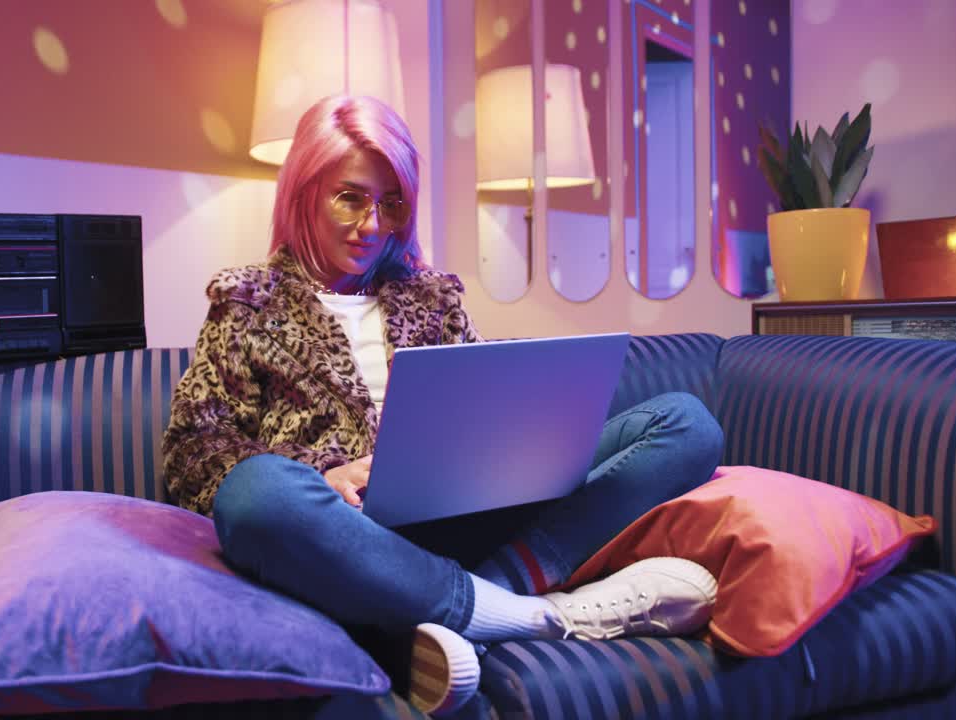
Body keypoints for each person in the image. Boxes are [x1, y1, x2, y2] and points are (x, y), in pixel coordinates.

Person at [162, 94, 724, 716]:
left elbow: (480, 409)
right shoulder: (247, 302)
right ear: (304, 191)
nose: (372, 225)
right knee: (258, 494)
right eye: (350, 197)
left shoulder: (433, 297)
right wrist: (320, 476)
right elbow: (194, 451)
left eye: (392, 203)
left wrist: (515, 448)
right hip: (349, 535)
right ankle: (525, 614)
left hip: (464, 516)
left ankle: (487, 597)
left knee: (686, 423)